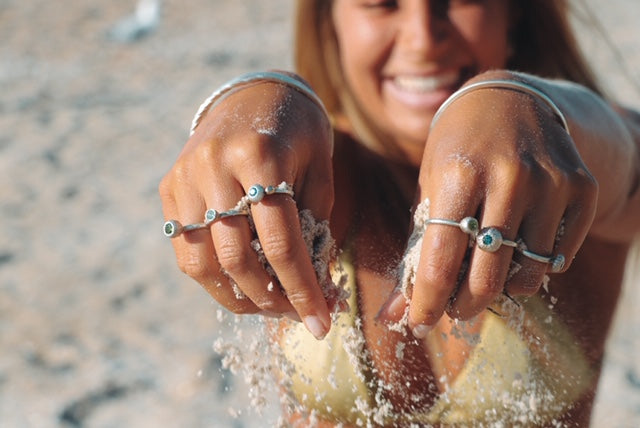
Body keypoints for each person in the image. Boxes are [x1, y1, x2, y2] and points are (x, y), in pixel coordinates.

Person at [159, 0, 640, 426]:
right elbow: (253, 138)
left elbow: (627, 148)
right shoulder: (306, 181)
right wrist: (253, 96)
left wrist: (530, 104)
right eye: (381, 3)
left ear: (515, 11)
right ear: (330, 21)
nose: (423, 38)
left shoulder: (568, 172)